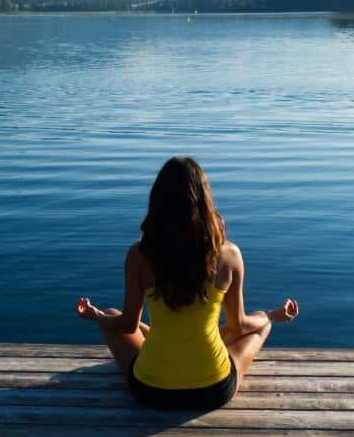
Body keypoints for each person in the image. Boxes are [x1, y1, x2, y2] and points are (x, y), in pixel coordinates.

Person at [76, 156, 298, 409]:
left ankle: (161, 345)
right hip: (213, 389)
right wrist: (272, 315)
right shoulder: (229, 255)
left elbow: (128, 325)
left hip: (150, 390)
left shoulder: (138, 255)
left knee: (112, 316)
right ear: (205, 200)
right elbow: (239, 327)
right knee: (260, 323)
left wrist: (96, 317)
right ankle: (262, 321)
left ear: (157, 202)